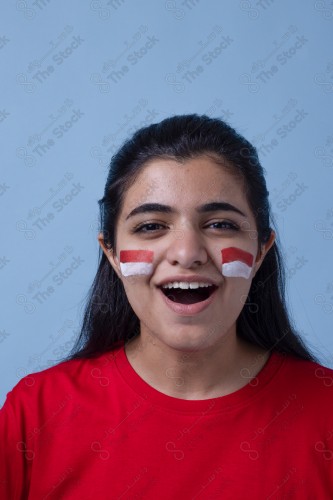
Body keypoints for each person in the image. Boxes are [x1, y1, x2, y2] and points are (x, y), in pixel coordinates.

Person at [1, 114, 332, 499]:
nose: (187, 253)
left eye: (220, 224)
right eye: (151, 226)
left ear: (260, 251)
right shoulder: (36, 414)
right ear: (111, 253)